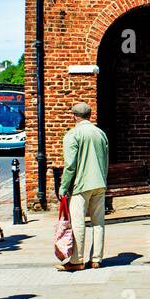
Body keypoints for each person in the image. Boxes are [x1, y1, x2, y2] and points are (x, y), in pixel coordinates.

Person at [59, 101, 109, 271]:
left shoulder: (73, 134)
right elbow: (106, 160)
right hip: (99, 183)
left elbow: (70, 165)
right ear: (89, 115)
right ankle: (96, 259)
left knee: (78, 222)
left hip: (81, 185)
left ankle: (77, 260)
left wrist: (64, 187)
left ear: (74, 116)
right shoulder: (101, 134)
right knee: (98, 222)